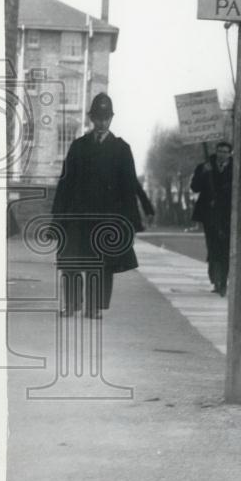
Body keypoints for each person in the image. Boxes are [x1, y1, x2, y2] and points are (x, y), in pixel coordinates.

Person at [52, 93, 154, 318]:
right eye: (98, 117)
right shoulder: (78, 146)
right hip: (78, 215)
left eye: (106, 117)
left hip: (108, 217)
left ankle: (94, 307)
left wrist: (137, 215)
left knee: (103, 264)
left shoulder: (121, 149)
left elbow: (130, 185)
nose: (101, 122)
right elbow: (64, 183)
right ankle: (71, 304)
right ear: (90, 118)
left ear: (111, 118)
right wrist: (57, 219)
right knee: (72, 259)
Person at [190, 140, 234, 296]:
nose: (222, 154)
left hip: (229, 213)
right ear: (216, 151)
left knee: (226, 247)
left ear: (230, 153)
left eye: (226, 151)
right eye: (220, 151)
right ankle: (216, 279)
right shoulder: (205, 166)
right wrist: (203, 173)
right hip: (210, 213)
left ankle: (223, 280)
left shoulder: (236, 167)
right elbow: (195, 187)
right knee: (213, 246)